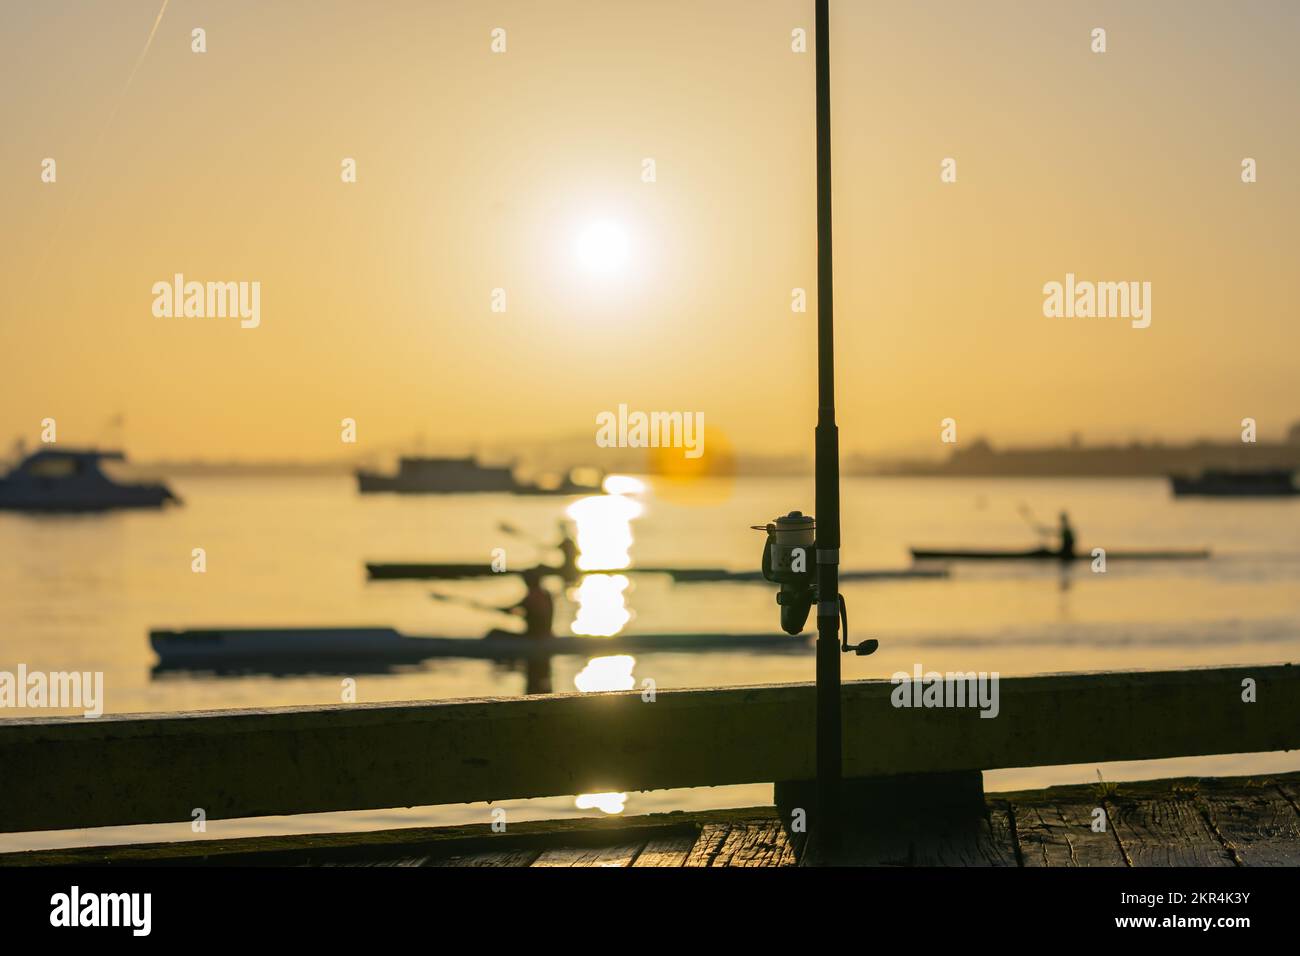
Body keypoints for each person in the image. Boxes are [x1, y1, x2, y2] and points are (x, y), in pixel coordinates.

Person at [487, 566, 554, 639]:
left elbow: (514, 610)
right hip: (537, 635)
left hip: (535, 636)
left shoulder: (535, 598)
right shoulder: (545, 596)